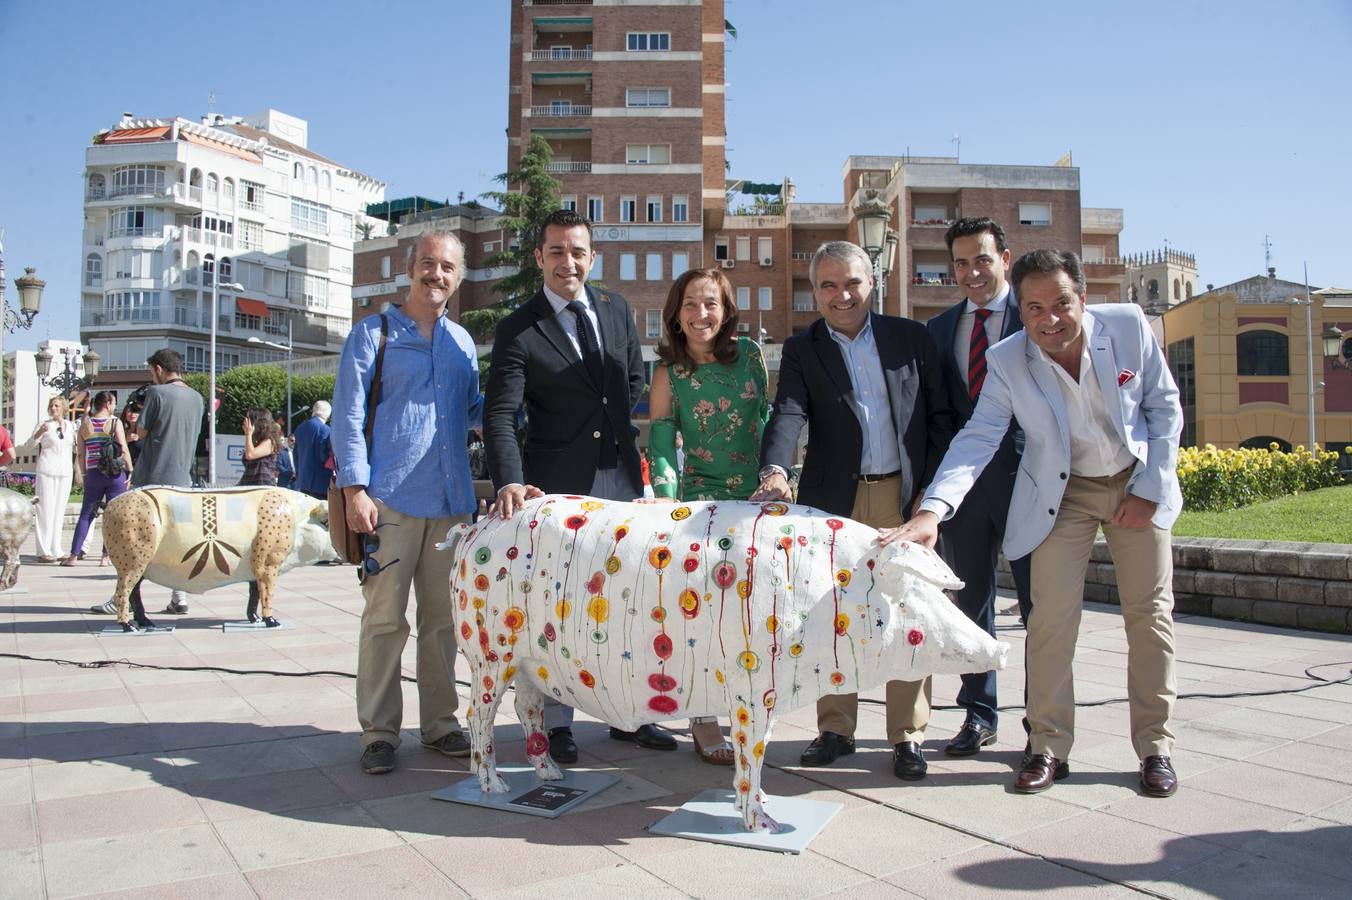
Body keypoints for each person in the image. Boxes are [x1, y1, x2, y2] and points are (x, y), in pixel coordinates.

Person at [887, 249, 1183, 799]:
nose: (1050, 319)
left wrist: (1147, 490)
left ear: (1083, 298)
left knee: (1149, 618)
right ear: (1020, 311)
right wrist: (932, 511)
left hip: (1133, 483)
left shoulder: (1127, 327)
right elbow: (977, 438)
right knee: (1048, 622)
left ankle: (1155, 748)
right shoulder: (1007, 359)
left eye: (1061, 303)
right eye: (1035, 308)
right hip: (1061, 495)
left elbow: (1164, 410)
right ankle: (1047, 746)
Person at [750, 240, 955, 781]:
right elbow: (788, 412)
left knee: (907, 611)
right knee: (830, 613)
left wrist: (929, 496)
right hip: (831, 503)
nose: (842, 296)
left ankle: (907, 735)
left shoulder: (911, 339)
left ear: (872, 284)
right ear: (815, 291)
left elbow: (939, 419)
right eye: (829, 285)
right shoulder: (803, 348)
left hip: (901, 496)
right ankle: (835, 728)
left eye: (852, 283)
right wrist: (774, 471)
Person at [485, 207, 677, 763]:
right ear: (540, 257)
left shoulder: (615, 308)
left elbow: (632, 376)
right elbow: (501, 414)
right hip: (558, 486)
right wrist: (511, 481)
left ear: (592, 257)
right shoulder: (518, 327)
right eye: (556, 252)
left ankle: (628, 716)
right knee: (560, 606)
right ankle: (557, 723)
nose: (567, 262)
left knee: (631, 600)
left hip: (622, 476)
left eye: (577, 251)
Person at [333, 229, 482, 776]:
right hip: (388, 499)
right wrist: (355, 489)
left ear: (457, 279)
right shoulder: (373, 334)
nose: (435, 274)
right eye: (427, 263)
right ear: (409, 268)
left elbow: (472, 413)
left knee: (444, 622)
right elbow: (347, 417)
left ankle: (441, 724)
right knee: (384, 620)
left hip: (452, 503)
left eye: (446, 267)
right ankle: (379, 731)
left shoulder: (462, 343)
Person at [647, 267, 770, 766]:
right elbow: (660, 441)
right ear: (677, 314)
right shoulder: (668, 372)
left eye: (711, 304)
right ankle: (702, 718)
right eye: (691, 305)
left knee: (754, 613)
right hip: (701, 506)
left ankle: (749, 705)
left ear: (726, 310)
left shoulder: (753, 357)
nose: (702, 314)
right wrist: (665, 501)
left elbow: (767, 421)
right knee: (703, 615)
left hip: (760, 501)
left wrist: (777, 481)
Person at [923, 217, 1034, 758]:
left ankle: (1044, 721)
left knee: (1042, 604)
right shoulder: (940, 330)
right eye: (961, 263)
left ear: (1005, 259)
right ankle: (979, 713)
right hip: (963, 489)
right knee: (971, 603)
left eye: (982, 260)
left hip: (1032, 483)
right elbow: (940, 415)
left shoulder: (1034, 317)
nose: (972, 272)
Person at [91, 349, 202, 616]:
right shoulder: (198, 398)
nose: (152, 376)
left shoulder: (156, 393)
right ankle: (179, 596)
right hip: (182, 479)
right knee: (177, 540)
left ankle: (123, 599)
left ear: (160, 369)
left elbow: (141, 431)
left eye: (152, 371)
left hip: (152, 478)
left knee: (133, 541)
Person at [65, 391, 133, 565]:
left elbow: (80, 454)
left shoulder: (84, 425)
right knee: (113, 515)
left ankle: (73, 555)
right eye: (114, 403)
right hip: (115, 474)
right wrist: (130, 469)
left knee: (86, 514)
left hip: (94, 473)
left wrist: (85, 473)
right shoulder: (114, 423)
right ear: (108, 403)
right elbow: (123, 448)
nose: (114, 406)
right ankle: (106, 556)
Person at [30, 396, 76, 562]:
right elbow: (30, 444)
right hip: (46, 471)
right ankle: (43, 550)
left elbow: (77, 448)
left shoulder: (71, 426)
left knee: (58, 512)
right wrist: (39, 433)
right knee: (45, 511)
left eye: (57, 405)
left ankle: (56, 549)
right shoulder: (45, 425)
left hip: (64, 472)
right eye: (51, 406)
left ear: (64, 408)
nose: (53, 408)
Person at [293, 401, 332, 500]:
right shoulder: (326, 430)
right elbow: (324, 457)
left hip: (303, 482)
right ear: (328, 413)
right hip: (321, 482)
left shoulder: (300, 428)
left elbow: (296, 455)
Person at [238, 407, 281, 486]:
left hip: (263, 486)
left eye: (249, 419)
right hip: (249, 485)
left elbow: (250, 455)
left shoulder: (270, 441)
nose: (245, 421)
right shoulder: (255, 442)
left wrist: (248, 434)